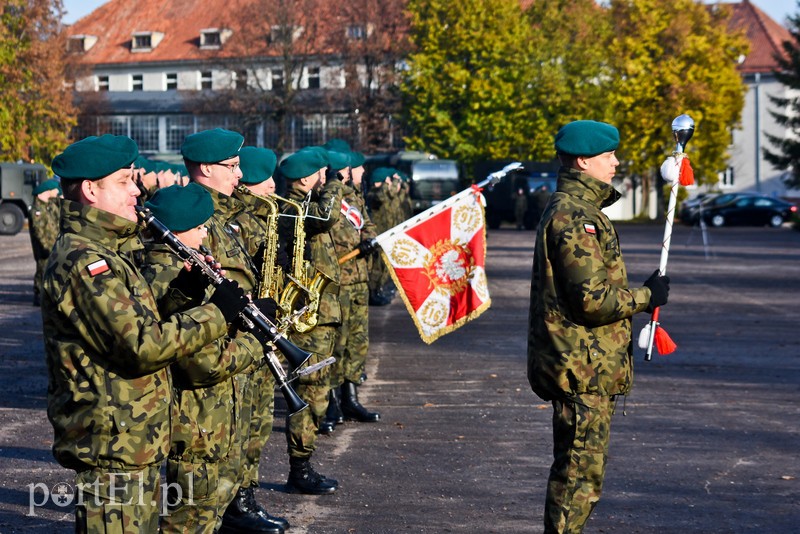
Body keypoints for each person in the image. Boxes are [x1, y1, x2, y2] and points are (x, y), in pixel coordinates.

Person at [41, 134, 249, 533]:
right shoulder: (85, 261)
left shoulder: (110, 250)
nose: (136, 190)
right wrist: (216, 313)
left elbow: (135, 325)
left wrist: (179, 293)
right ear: (90, 190)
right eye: (123, 181)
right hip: (111, 449)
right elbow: (142, 345)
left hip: (134, 441)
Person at [527, 120, 671, 534]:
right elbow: (592, 300)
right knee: (577, 479)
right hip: (581, 370)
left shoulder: (582, 211)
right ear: (584, 160)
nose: (616, 162)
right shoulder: (574, 216)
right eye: (609, 155)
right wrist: (646, 297)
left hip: (587, 367)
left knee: (583, 476)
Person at [140, 184, 265, 534]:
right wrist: (257, 342)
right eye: (200, 228)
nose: (206, 234)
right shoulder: (168, 275)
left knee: (208, 515)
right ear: (178, 231)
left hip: (209, 420)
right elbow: (204, 364)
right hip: (195, 423)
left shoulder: (185, 268)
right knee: (190, 519)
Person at [181, 128, 287, 534]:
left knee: (251, 427)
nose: (239, 174)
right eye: (232, 166)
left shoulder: (225, 212)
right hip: (220, 344)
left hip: (246, 338)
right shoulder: (195, 213)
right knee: (223, 439)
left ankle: (241, 501)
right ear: (206, 168)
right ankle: (228, 509)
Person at [276, 147, 345, 495]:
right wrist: (334, 184)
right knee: (310, 391)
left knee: (317, 391)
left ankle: (304, 463)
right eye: (319, 173)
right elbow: (327, 215)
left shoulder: (303, 204)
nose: (325, 178)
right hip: (307, 318)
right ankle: (299, 468)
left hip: (322, 315)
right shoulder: (292, 207)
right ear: (305, 178)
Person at [321, 149, 381, 434]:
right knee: (338, 343)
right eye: (356, 169)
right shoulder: (327, 198)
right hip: (337, 282)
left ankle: (351, 398)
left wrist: (369, 239)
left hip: (358, 278)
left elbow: (367, 224)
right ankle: (331, 402)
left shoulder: (354, 198)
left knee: (358, 341)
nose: (361, 174)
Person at [28, 178, 62, 306]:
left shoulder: (49, 206)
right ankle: (38, 294)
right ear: (47, 191)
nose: (56, 192)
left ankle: (46, 294)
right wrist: (46, 247)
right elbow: (39, 233)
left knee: (49, 271)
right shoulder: (37, 210)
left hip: (52, 245)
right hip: (44, 248)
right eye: (54, 190)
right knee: (42, 270)